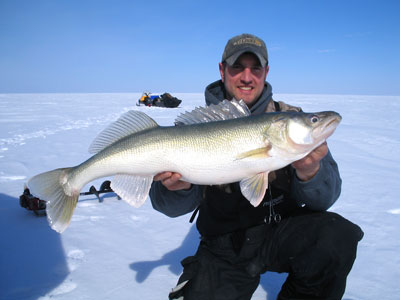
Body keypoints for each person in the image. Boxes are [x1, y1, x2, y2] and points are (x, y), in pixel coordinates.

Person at [149, 33, 363, 300]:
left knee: (336, 236)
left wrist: (310, 173)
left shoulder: (290, 115)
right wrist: (177, 188)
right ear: (222, 70)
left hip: (280, 234)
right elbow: (168, 207)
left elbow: (326, 199)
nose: (247, 77)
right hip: (224, 244)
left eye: (256, 68)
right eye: (237, 67)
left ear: (266, 72)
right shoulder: (195, 127)